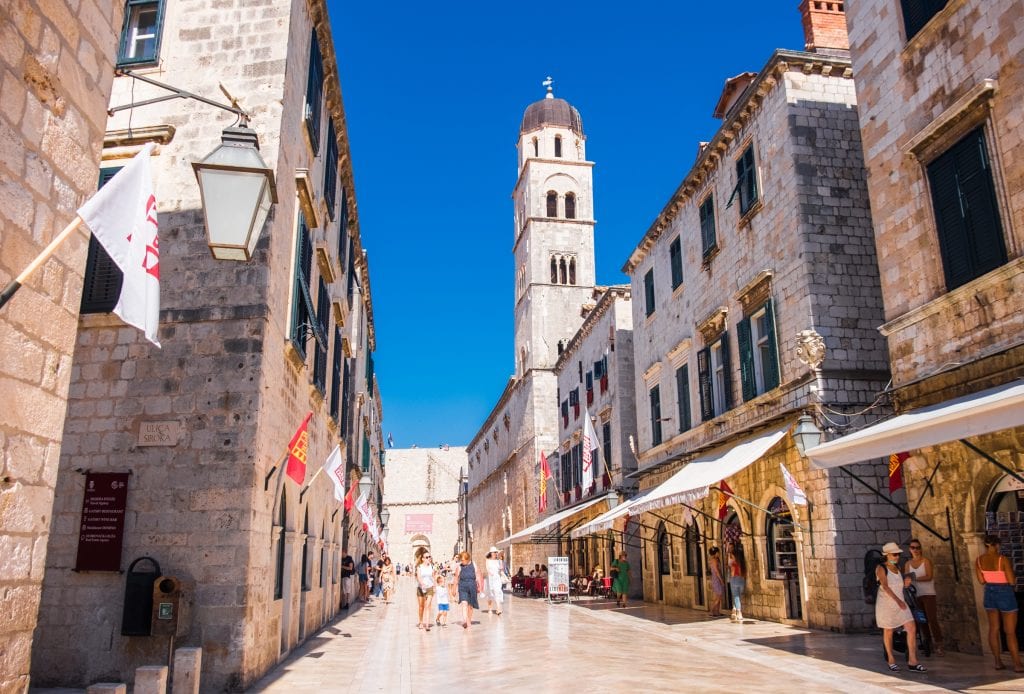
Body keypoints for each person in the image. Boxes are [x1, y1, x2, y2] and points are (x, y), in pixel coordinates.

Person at [976, 534, 1023, 671]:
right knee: (1010, 631)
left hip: (989, 592)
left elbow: (981, 580)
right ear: (997, 545)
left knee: (993, 628)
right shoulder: (1002, 559)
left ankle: (997, 661)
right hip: (1005, 592)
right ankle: (1017, 664)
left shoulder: (979, 560)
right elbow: (1012, 580)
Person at [877, 541, 926, 673]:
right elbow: (885, 586)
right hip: (887, 604)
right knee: (888, 631)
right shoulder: (881, 568)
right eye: (894, 555)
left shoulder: (897, 568)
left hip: (900, 603)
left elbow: (899, 585)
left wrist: (906, 582)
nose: (897, 557)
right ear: (887, 555)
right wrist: (898, 601)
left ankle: (912, 661)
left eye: (898, 554)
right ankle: (891, 660)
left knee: (911, 627)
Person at [904, 538, 943, 655]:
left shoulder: (926, 561)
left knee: (932, 619)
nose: (915, 550)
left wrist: (914, 579)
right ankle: (928, 643)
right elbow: (906, 579)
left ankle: (939, 643)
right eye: (913, 548)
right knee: (922, 620)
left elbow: (929, 576)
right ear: (909, 549)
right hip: (916, 595)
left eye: (917, 547)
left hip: (928, 594)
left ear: (921, 549)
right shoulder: (907, 564)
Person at [455, 551, 483, 629]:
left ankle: (469, 620)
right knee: (464, 603)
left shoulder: (474, 565)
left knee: (470, 606)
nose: (462, 561)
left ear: (468, 559)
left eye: (463, 560)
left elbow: (478, 575)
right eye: (461, 560)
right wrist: (454, 588)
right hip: (462, 587)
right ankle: (465, 620)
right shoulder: (459, 567)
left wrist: (480, 586)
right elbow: (456, 578)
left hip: (472, 586)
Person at [414, 550, 436, 631]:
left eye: (429, 557)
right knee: (421, 606)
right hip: (421, 588)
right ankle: (420, 622)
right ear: (423, 559)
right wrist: (422, 584)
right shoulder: (419, 567)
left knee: (428, 605)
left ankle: (427, 624)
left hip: (429, 588)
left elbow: (433, 576)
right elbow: (419, 577)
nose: (429, 558)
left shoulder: (432, 566)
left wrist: (435, 586)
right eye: (427, 557)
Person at [727, 543, 747, 622]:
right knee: (739, 595)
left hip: (734, 579)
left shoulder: (733, 565)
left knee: (736, 596)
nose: (731, 558)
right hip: (741, 580)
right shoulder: (742, 564)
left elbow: (732, 573)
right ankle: (734, 610)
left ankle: (738, 612)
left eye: (732, 556)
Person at [484, 547, 504, 615]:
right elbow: (487, 568)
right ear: (491, 553)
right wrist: (489, 572)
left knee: (497, 592)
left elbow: (501, 570)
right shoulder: (487, 560)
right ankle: (490, 609)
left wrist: (502, 571)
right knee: (490, 594)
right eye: (494, 552)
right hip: (490, 578)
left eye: (496, 552)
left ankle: (499, 609)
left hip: (497, 578)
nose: (495, 553)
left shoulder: (499, 561)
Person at [708, 547, 725, 617]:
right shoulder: (714, 560)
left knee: (719, 596)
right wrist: (721, 580)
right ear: (716, 553)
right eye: (718, 552)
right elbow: (717, 571)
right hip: (717, 579)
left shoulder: (715, 560)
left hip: (716, 579)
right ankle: (712, 611)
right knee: (718, 596)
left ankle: (717, 612)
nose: (719, 554)